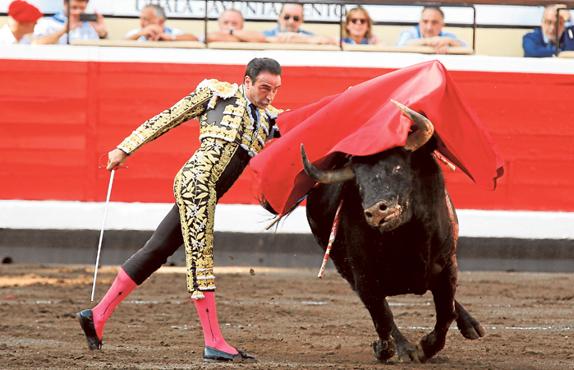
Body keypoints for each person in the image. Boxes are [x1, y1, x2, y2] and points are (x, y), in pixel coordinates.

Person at [77, 57, 283, 362]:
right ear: (248, 81)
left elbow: (296, 134)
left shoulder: (269, 119)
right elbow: (168, 117)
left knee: (157, 249)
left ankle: (97, 315)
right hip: (196, 183)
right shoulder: (218, 94)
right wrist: (125, 147)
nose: (270, 95)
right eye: (265, 87)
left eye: (276, 90)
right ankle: (213, 341)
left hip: (207, 190)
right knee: (201, 257)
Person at [33, 0, 108, 44]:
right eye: (74, 7)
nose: (78, 12)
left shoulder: (91, 25)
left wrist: (102, 34)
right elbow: (36, 44)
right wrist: (64, 30)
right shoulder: (47, 23)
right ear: (65, 4)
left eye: (82, 8)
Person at [397, 6, 465, 54]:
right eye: (425, 21)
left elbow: (467, 49)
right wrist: (428, 41)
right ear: (420, 22)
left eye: (434, 22)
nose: (429, 27)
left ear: (442, 24)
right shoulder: (409, 33)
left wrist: (450, 42)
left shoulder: (448, 37)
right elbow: (399, 47)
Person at [263, 3, 337, 45]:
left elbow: (333, 40)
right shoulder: (267, 34)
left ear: (302, 20)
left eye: (296, 18)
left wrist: (299, 39)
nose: (291, 21)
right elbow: (252, 36)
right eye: (287, 17)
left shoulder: (308, 36)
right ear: (279, 17)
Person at [125, 4, 198, 42]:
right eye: (141, 19)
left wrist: (171, 38)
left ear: (160, 21)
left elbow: (195, 39)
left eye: (146, 19)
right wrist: (138, 35)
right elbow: (120, 44)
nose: (141, 23)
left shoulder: (173, 32)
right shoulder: (135, 33)